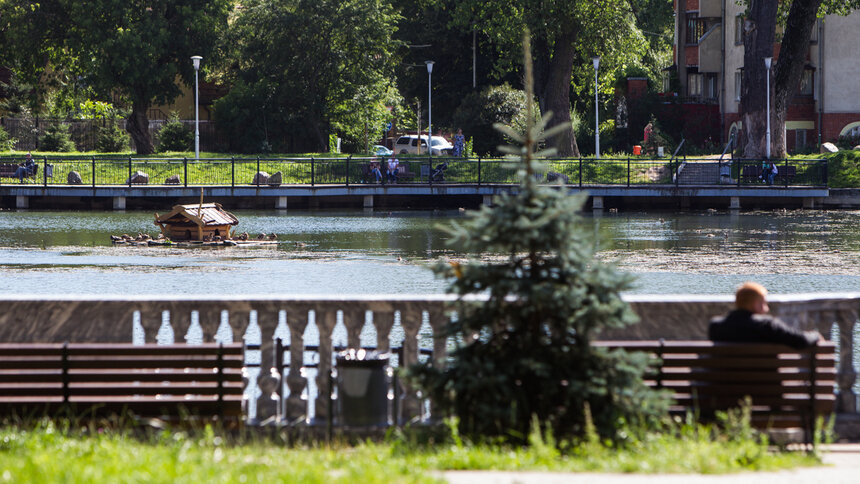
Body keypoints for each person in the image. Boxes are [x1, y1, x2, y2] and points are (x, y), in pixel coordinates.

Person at [709, 282, 821, 349]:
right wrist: (815, 335)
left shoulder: (716, 327)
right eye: (764, 303)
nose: (767, 308)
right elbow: (801, 341)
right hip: (767, 387)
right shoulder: (767, 326)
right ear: (756, 304)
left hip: (726, 387)